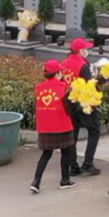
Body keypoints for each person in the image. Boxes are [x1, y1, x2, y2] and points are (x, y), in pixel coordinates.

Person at [30, 60, 78, 194]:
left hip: (44, 126)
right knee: (66, 151)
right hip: (62, 125)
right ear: (58, 73)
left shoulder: (39, 88)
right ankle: (65, 179)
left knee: (46, 154)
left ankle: (36, 181)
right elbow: (70, 109)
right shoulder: (64, 87)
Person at [60, 37, 101, 176]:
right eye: (85, 49)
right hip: (83, 103)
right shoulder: (82, 65)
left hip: (69, 102)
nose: (87, 51)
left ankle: (73, 165)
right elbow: (89, 85)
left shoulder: (64, 63)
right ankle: (87, 163)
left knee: (73, 133)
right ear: (80, 51)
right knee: (94, 130)